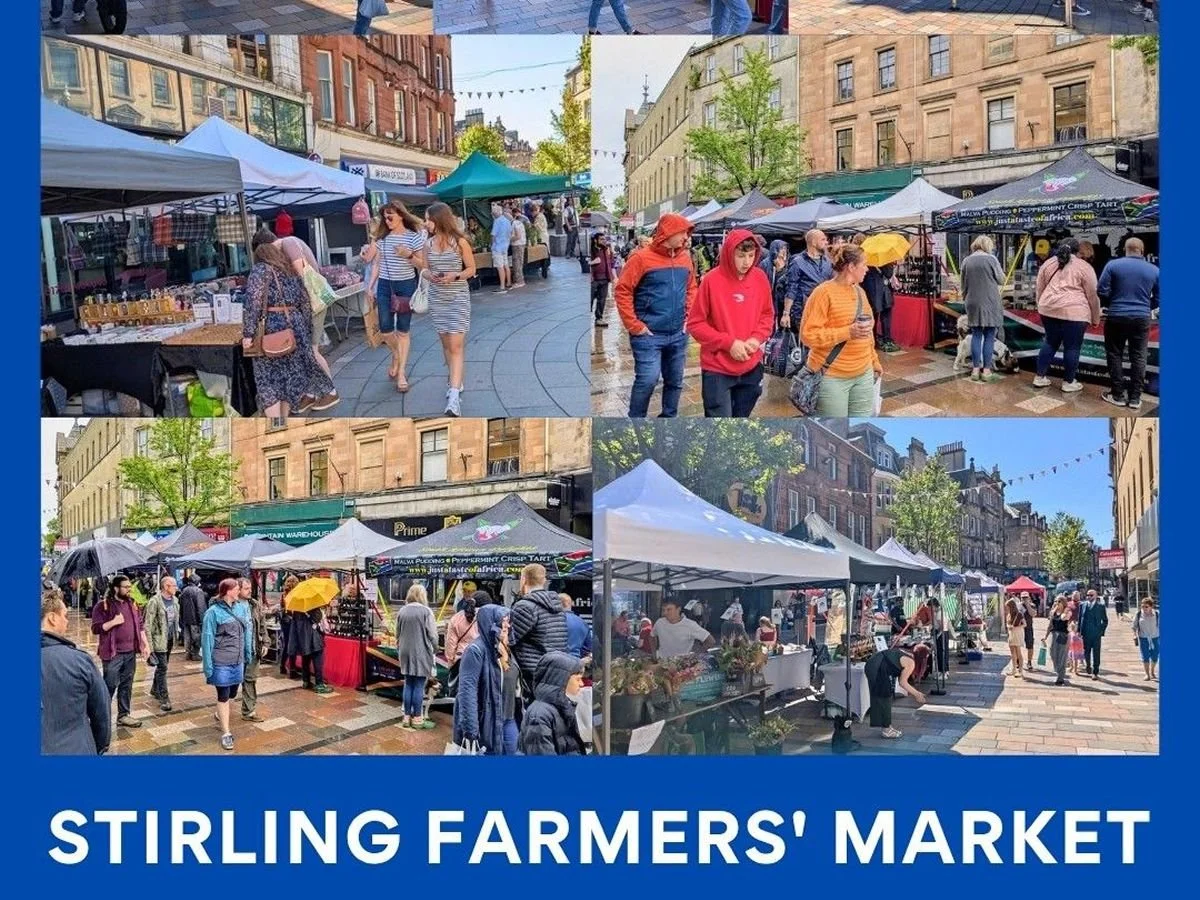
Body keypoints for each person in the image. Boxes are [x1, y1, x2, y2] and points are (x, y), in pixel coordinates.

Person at [242, 231, 338, 416]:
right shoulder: (289, 270)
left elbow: (253, 303)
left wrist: (248, 334)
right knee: (289, 382)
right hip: (295, 329)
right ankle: (283, 424)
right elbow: (304, 302)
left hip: (271, 330)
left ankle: (277, 427)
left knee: (268, 384)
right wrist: (305, 329)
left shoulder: (260, 270)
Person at [615, 213, 698, 418]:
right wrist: (634, 325)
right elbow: (623, 290)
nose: (686, 237)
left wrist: (688, 316)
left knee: (675, 381)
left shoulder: (685, 259)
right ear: (668, 232)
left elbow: (691, 288)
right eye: (682, 232)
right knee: (647, 380)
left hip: (678, 333)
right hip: (649, 335)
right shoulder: (641, 258)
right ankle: (636, 419)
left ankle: (669, 419)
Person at [687, 229, 776, 418]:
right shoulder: (711, 280)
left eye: (751, 256)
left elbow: (767, 315)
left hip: (751, 365)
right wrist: (728, 343)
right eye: (741, 256)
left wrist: (756, 338)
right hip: (718, 368)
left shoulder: (760, 278)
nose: (746, 262)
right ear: (729, 253)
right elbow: (695, 324)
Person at [800, 243, 882, 416]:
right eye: (864, 264)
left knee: (862, 420)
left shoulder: (860, 292)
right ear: (851, 267)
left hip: (864, 373)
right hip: (832, 375)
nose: (867, 269)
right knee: (834, 428)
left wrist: (874, 361)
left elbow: (868, 334)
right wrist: (847, 332)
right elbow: (808, 335)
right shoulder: (823, 293)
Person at [411, 202, 477, 417]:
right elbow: (426, 270)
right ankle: (455, 378)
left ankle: (454, 395)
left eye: (428, 219)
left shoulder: (460, 242)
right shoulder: (427, 244)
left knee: (456, 346)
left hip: (458, 297)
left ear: (438, 219)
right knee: (447, 346)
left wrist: (455, 275)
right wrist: (431, 276)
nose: (426, 223)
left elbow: (471, 269)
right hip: (438, 298)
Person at [361, 201, 427, 394]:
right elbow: (372, 261)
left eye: (390, 217)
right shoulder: (382, 238)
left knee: (403, 330)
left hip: (406, 285)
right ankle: (397, 355)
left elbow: (423, 265)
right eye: (385, 217)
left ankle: (402, 373)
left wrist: (408, 255)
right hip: (385, 285)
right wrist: (370, 285)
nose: (387, 221)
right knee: (385, 329)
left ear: (400, 216)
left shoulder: (414, 238)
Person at [42, 591, 111, 755]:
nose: (67, 621)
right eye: (65, 615)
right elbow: (102, 713)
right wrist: (99, 748)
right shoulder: (79, 661)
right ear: (52, 618)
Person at [1033, 238, 1101, 393]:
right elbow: (1092, 295)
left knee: (1050, 342)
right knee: (1072, 347)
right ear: (1077, 251)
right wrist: (1095, 317)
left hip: (1048, 309)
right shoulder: (1084, 267)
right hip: (1075, 312)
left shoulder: (1048, 263)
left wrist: (1040, 305)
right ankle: (1068, 382)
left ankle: (1039, 377)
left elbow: (1040, 288)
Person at [1098, 237, 1158, 410]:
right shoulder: (1154, 270)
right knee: (1139, 356)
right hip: (1141, 317)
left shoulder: (1112, 265)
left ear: (1125, 249)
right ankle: (1135, 398)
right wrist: (1146, 306)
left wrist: (1114, 301)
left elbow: (1101, 289)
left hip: (1116, 315)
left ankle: (1117, 394)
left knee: (1114, 354)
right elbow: (1160, 296)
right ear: (1142, 250)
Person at [200, 578, 253, 752]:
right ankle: (226, 733)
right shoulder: (213, 612)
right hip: (221, 661)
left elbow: (247, 632)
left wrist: (248, 652)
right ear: (228, 591)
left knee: (233, 692)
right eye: (237, 588)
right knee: (223, 695)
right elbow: (207, 639)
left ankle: (219, 713)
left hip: (237, 661)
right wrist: (208, 666)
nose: (239, 591)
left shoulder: (241, 608)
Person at [91, 575, 149, 729]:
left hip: (130, 652)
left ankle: (123, 715)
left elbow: (140, 625)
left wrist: (145, 643)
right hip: (112, 654)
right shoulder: (103, 605)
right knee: (109, 685)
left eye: (129, 586)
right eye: (125, 587)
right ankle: (101, 716)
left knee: (127, 684)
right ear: (116, 588)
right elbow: (96, 628)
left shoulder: (132, 604)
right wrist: (113, 622)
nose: (129, 589)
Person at [453, 603, 512, 754]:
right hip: (485, 719)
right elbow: (467, 690)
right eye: (503, 624)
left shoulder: (501, 647)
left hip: (503, 716)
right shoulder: (475, 651)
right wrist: (471, 730)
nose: (507, 628)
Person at [510, 563, 570, 692]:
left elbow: (510, 638)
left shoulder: (525, 606)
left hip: (533, 671)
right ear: (544, 580)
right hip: (555, 668)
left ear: (523, 579)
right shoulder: (557, 605)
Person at [518, 651, 587, 756]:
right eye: (578, 679)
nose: (581, 684)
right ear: (561, 679)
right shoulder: (539, 715)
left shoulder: (561, 707)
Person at [961, 235, 1006, 382]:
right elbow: (1001, 279)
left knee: (976, 334)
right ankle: (986, 370)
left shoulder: (966, 261)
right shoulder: (991, 259)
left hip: (972, 301)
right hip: (990, 302)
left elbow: (963, 285)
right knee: (989, 336)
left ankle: (975, 369)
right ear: (987, 246)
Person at [395, 584, 438, 729]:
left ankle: (406, 717)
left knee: (408, 683)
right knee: (419, 684)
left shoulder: (402, 611)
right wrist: (436, 649)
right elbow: (433, 635)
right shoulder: (426, 612)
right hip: (421, 651)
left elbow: (397, 633)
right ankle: (418, 718)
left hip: (404, 651)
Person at [781, 229, 832, 338]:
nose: (826, 242)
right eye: (823, 239)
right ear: (813, 242)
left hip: (824, 310)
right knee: (807, 343)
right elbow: (791, 288)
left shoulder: (827, 261)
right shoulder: (798, 262)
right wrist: (786, 313)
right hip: (803, 310)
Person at [864, 647, 924, 739]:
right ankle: (886, 730)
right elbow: (902, 682)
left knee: (884, 695)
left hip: (874, 663)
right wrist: (917, 694)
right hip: (877, 667)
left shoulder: (907, 654)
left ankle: (887, 726)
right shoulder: (911, 663)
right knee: (884, 696)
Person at [143, 576, 179, 713]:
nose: (176, 588)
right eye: (173, 585)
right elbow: (148, 624)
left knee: (163, 667)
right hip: (159, 640)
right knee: (163, 668)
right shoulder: (154, 601)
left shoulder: (175, 600)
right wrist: (150, 647)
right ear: (166, 586)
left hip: (169, 639)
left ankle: (154, 689)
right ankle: (164, 698)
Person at [235, 578, 267, 722]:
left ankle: (249, 711)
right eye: (246, 588)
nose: (249, 591)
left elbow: (262, 625)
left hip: (253, 649)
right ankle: (221, 707)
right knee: (230, 684)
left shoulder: (254, 605)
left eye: (250, 588)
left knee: (250, 680)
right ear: (238, 589)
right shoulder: (231, 605)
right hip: (235, 652)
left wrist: (265, 642)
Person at [294, 607, 332, 694]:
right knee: (318, 662)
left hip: (304, 639)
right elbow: (317, 618)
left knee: (305, 660)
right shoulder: (314, 608)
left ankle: (306, 681)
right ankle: (319, 684)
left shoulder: (297, 610)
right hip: (314, 639)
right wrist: (321, 613)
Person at [1077, 587, 1109, 679]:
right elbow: (1080, 619)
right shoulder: (1082, 605)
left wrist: (1101, 631)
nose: (1088, 597)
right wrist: (1079, 631)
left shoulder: (1100, 607)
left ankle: (1095, 671)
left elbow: (1105, 620)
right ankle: (1088, 665)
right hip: (1086, 633)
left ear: (1096, 596)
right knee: (1086, 652)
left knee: (1096, 653)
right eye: (1087, 595)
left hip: (1096, 634)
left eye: (1091, 595)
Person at [1041, 595, 1071, 686]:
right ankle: (1059, 671)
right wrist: (1045, 636)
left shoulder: (1067, 612)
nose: (1057, 603)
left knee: (1061, 656)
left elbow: (1063, 618)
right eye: (1056, 601)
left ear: (1063, 602)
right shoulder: (1053, 612)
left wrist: (1064, 611)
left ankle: (1060, 678)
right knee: (1053, 654)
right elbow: (1050, 625)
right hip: (1054, 635)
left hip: (1063, 635)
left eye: (1059, 601)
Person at [590, 232, 616, 327]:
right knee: (590, 299)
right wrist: (592, 262)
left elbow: (612, 263)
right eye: (601, 239)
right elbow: (584, 262)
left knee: (602, 299)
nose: (603, 241)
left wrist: (614, 277)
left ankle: (599, 318)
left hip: (605, 278)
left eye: (604, 239)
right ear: (595, 240)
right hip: (594, 279)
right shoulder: (591, 250)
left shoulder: (607, 249)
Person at [444, 597, 479, 665]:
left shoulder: (456, 618)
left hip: (461, 656)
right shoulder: (484, 618)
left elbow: (451, 642)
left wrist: (450, 659)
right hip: (479, 656)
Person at [1132, 598, 1159, 681]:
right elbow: (1134, 626)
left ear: (1151, 607)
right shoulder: (1139, 614)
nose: (1144, 608)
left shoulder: (1157, 614)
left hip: (1155, 638)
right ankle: (1147, 674)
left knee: (1155, 657)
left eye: (1146, 607)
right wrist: (1134, 635)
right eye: (1142, 606)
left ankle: (1152, 671)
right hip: (1143, 638)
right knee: (1145, 656)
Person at [489, 202, 512, 293]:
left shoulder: (497, 221)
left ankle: (502, 286)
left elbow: (493, 235)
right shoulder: (507, 221)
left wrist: (491, 245)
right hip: (505, 246)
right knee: (506, 265)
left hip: (497, 247)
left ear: (496, 213)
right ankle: (509, 283)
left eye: (493, 213)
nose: (493, 214)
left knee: (500, 266)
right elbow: (510, 233)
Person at [278, 574, 299, 676]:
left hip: (284, 621)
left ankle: (282, 666)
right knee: (292, 645)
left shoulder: (284, 594)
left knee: (286, 644)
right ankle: (292, 669)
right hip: (291, 621)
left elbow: (282, 607)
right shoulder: (294, 595)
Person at [561, 594, 593, 660]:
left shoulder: (552, 620)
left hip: (555, 663)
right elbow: (587, 648)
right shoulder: (583, 623)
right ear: (571, 604)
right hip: (575, 663)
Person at [1004, 597, 1026, 677]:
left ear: (1011, 606)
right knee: (1012, 653)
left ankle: (1020, 671)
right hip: (1011, 634)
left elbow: (1024, 624)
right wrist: (1008, 626)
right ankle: (1013, 669)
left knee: (1018, 652)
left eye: (1008, 607)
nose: (1006, 608)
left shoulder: (1019, 614)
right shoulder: (1008, 615)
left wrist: (1015, 627)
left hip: (1017, 633)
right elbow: (1007, 624)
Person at [509, 209, 528, 289]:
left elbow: (518, 236)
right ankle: (519, 280)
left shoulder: (515, 223)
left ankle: (519, 281)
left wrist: (509, 239)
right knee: (518, 262)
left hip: (517, 245)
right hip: (520, 244)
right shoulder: (519, 223)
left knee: (517, 263)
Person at [1022, 592, 1038, 671]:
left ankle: (1029, 661)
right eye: (1023, 598)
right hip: (1020, 629)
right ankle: (1019, 661)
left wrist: (1028, 605)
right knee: (1018, 646)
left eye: (1026, 597)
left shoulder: (1032, 605)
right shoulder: (1018, 606)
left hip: (1029, 628)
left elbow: (1033, 614)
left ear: (1029, 598)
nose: (1024, 599)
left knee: (1030, 646)